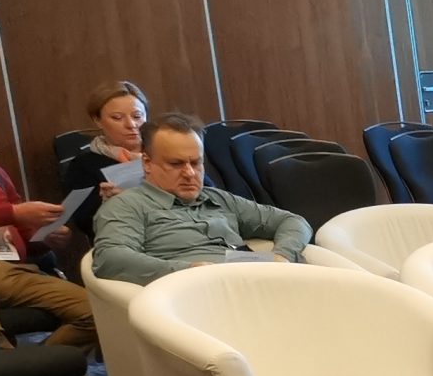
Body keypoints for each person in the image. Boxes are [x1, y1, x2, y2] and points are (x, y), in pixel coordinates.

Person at [92, 113, 310, 285]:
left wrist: (282, 256)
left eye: (196, 163)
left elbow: (293, 221)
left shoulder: (217, 198)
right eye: (176, 164)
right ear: (147, 163)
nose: (189, 173)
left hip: (253, 277)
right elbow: (109, 258)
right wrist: (188, 271)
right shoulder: (127, 205)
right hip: (199, 294)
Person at [0, 111, 95, 376]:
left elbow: (18, 232)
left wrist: (43, 237)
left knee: (96, 310)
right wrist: (14, 212)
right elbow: (11, 215)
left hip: (14, 269)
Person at [60, 82, 149, 239]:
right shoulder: (83, 165)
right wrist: (111, 205)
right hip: (121, 240)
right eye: (117, 118)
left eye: (137, 116)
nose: (131, 124)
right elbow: (85, 222)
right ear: (98, 120)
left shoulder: (165, 153)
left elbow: (198, 196)